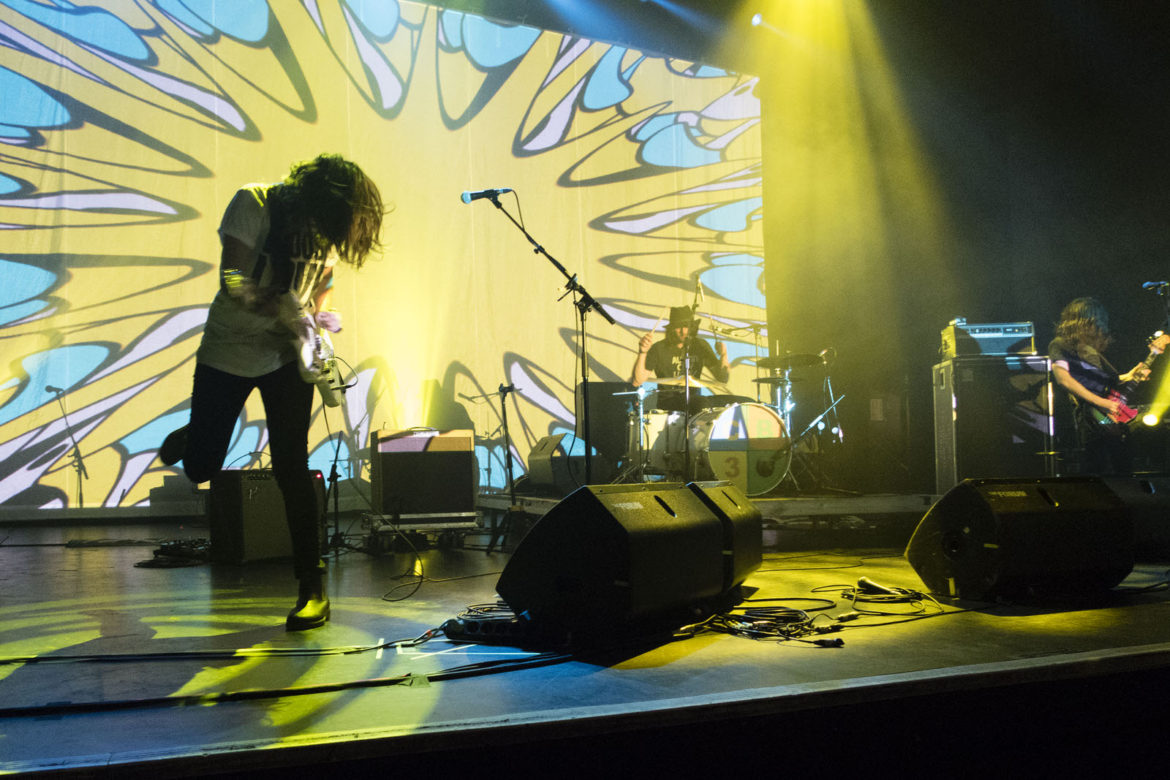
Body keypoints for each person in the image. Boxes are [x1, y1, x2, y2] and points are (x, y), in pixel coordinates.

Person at [159, 153, 384, 630]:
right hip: (229, 349)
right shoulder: (254, 202)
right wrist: (276, 304)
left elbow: (319, 289)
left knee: (291, 466)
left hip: (284, 358)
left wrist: (321, 319)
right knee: (202, 466)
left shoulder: (324, 233)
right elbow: (232, 277)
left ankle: (312, 587)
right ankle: (196, 434)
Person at [1048, 297, 1164, 475]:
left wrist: (1131, 375)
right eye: (1098, 320)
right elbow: (1064, 380)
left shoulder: (1090, 351)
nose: (1102, 326)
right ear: (1084, 320)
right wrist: (1102, 403)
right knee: (1099, 463)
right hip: (1092, 413)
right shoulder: (1060, 344)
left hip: (1107, 412)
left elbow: (1110, 381)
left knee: (1121, 461)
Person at [631, 305, 730, 387]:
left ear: (692, 328)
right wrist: (642, 352)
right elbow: (637, 381)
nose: (683, 331)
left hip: (695, 402)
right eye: (678, 327)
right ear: (672, 329)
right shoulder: (659, 348)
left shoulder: (700, 346)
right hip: (668, 403)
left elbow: (723, 378)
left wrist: (723, 355)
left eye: (686, 327)